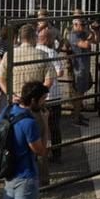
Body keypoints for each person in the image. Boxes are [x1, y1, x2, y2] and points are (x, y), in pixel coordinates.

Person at [36, 25, 66, 165]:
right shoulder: (51, 53)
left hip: (38, 97)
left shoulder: (33, 51)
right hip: (53, 95)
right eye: (52, 37)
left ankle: (39, 154)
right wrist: (50, 75)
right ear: (47, 39)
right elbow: (60, 72)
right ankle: (57, 155)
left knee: (39, 128)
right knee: (54, 128)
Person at [66, 16, 99, 125]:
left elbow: (96, 41)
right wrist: (90, 34)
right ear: (75, 25)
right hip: (79, 68)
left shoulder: (83, 34)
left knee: (82, 92)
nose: (84, 27)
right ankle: (75, 117)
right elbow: (86, 44)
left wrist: (95, 31)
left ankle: (78, 115)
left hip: (85, 66)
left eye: (85, 25)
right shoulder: (73, 35)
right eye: (82, 25)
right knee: (79, 94)